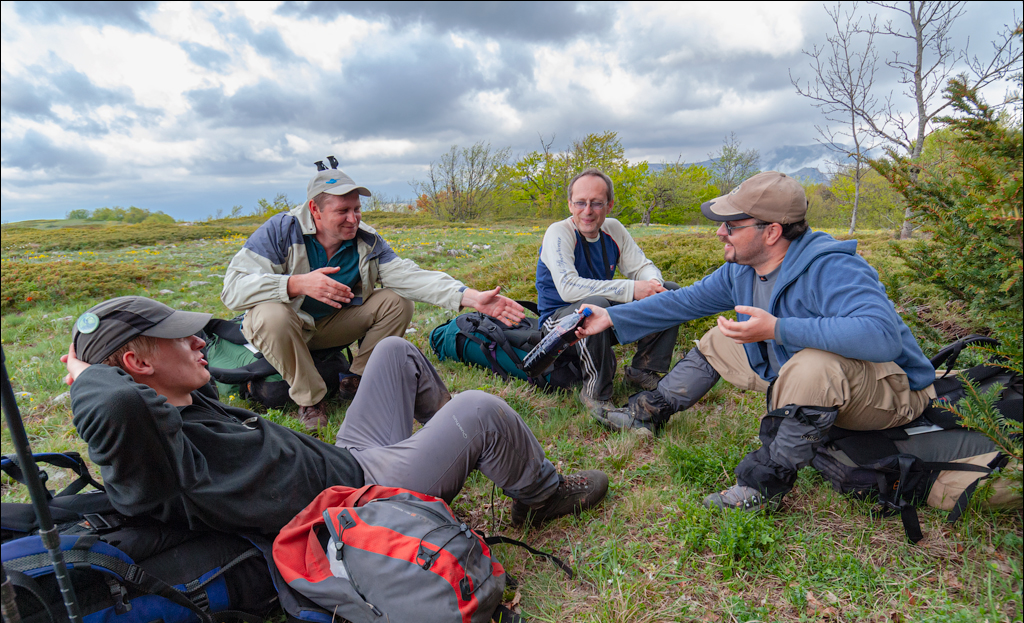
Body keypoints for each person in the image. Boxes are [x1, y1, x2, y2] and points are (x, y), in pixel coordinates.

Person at [64, 296, 608, 537]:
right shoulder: (153, 441)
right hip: (359, 498)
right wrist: (86, 371)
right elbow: (115, 401)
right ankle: (540, 495)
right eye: (176, 338)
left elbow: (134, 390)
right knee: (480, 408)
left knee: (394, 351)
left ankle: (471, 450)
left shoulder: (180, 400)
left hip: (345, 458)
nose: (196, 339)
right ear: (135, 365)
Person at [574, 171, 936, 512]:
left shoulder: (832, 268)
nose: (720, 233)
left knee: (814, 366)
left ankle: (763, 485)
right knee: (723, 336)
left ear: (772, 231)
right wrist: (612, 318)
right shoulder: (742, 268)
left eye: (732, 225)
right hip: (817, 380)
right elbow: (683, 302)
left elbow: (882, 336)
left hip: (894, 395)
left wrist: (778, 329)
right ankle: (646, 415)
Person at [221, 159, 525, 430]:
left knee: (396, 302)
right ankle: (310, 399)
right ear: (315, 209)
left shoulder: (366, 240)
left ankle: (355, 381)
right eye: (342, 211)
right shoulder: (280, 231)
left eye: (356, 209)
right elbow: (232, 288)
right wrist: (295, 284)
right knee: (270, 314)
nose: (353, 219)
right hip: (285, 327)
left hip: (328, 326)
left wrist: (470, 297)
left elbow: (408, 276)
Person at [536, 168, 679, 419]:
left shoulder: (613, 229)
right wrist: (632, 289)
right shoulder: (558, 232)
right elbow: (568, 287)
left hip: (600, 316)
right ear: (570, 204)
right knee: (592, 305)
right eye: (580, 202)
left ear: (609, 205)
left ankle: (643, 370)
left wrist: (654, 285)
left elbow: (641, 267)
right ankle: (595, 394)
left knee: (669, 292)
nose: (587, 211)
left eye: (596, 203)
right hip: (558, 324)